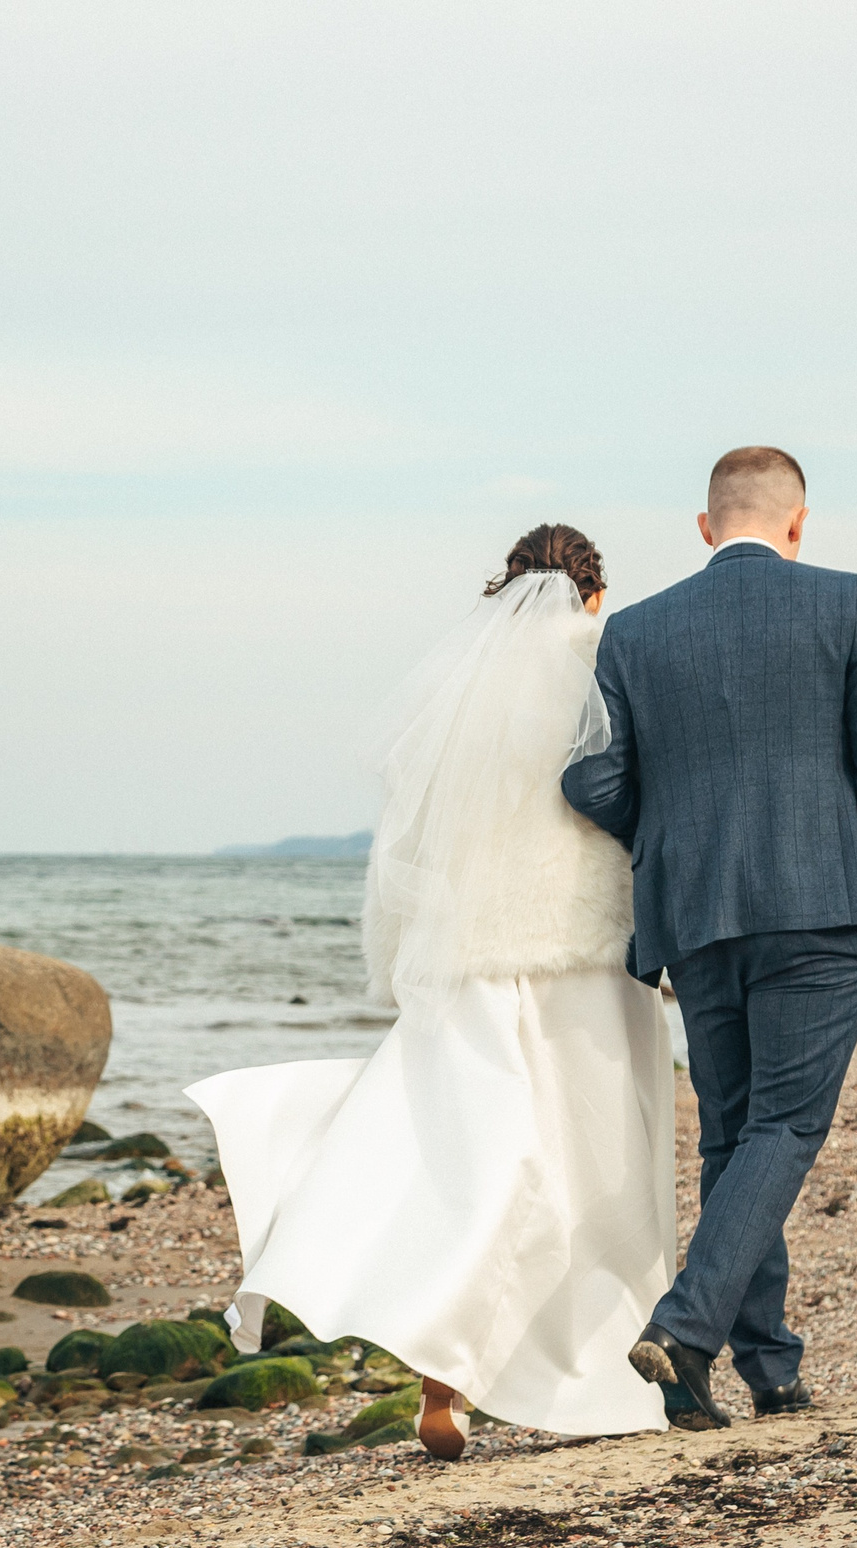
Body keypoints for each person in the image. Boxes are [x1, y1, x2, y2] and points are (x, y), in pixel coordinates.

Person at [187, 525, 678, 1460]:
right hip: (584, 944)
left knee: (468, 1162)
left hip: (473, 949)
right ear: (594, 593)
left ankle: (442, 1381)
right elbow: (628, 791)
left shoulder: (460, 687)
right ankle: (611, 1376)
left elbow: (415, 841)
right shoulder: (604, 664)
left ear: (507, 589)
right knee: (602, 1162)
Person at [565, 446, 857, 1430]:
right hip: (821, 907)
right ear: (797, 523)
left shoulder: (634, 633)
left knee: (735, 1133)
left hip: (695, 917)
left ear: (704, 526)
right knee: (784, 1128)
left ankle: (767, 1369)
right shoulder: (846, 602)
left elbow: (587, 781)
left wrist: (674, 836)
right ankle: (685, 1331)